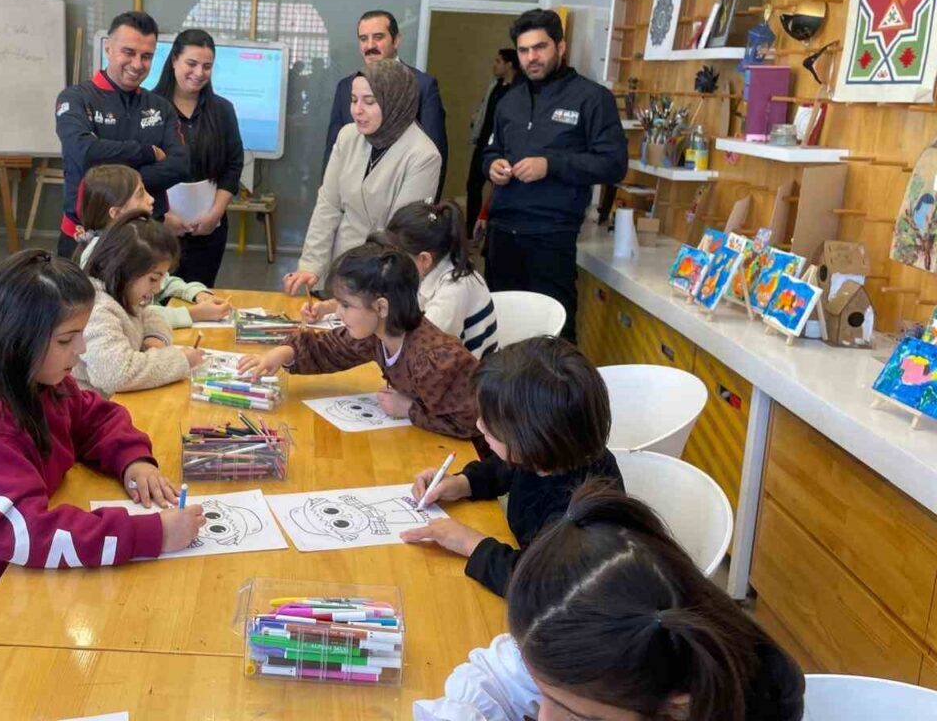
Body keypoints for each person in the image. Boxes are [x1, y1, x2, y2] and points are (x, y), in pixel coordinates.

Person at [0, 249, 204, 609]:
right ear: (17, 338)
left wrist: (133, 459)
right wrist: (152, 533)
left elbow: (94, 418)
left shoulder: (39, 381)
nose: (81, 349)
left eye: (81, 334)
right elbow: (26, 533)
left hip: (9, 570)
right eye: (65, 339)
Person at [413, 482, 805, 721]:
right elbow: (495, 676)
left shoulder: (645, 670)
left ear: (676, 710)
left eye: (577, 717)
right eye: (543, 696)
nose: (543, 718)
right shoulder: (601, 647)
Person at [400, 337, 622, 596]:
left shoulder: (579, 514)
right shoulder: (550, 455)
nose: (480, 426)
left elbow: (539, 587)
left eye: (491, 425)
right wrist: (463, 483)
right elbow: (506, 468)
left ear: (530, 440)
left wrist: (470, 543)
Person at [482, 9, 627, 342]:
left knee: (552, 338)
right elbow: (491, 150)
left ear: (560, 47)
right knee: (500, 333)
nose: (531, 57)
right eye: (523, 50)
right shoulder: (509, 101)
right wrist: (491, 165)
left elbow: (613, 164)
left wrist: (551, 165)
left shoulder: (593, 98)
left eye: (540, 47)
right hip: (502, 233)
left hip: (551, 235)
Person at [243, 240, 480, 441]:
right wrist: (284, 353)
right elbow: (331, 348)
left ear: (381, 307)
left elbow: (471, 424)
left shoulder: (434, 358)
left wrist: (409, 409)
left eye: (346, 305)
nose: (338, 313)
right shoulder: (378, 334)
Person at [283, 59, 441, 296]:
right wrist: (311, 266)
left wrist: (363, 290)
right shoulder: (348, 136)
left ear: (395, 101)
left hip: (385, 279)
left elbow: (401, 235)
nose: (357, 110)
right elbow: (328, 206)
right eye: (353, 100)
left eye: (369, 101)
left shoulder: (423, 155)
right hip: (340, 268)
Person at [56, 11, 189, 257]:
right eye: (128, 52)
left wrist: (108, 178)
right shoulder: (76, 99)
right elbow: (83, 151)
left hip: (147, 240)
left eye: (146, 56)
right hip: (85, 239)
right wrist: (147, 153)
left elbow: (179, 165)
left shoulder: (160, 107)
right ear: (108, 48)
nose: (137, 64)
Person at [304, 200, 497, 358]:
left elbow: (419, 345)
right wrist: (329, 307)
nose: (390, 263)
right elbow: (371, 299)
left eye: (397, 256)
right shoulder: (427, 271)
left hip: (462, 386)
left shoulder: (454, 289)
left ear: (424, 259)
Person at [74, 164, 231, 327]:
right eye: (141, 194)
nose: (151, 199)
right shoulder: (102, 255)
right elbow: (131, 315)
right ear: (117, 213)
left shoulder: (135, 241)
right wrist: (193, 314)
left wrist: (196, 293)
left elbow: (163, 281)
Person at [151, 28, 244, 287]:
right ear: (174, 60)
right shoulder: (150, 107)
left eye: (207, 66)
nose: (199, 72)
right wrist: (162, 216)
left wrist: (215, 213)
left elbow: (233, 165)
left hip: (208, 229)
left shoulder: (222, 110)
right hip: (159, 228)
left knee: (200, 295)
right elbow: (137, 168)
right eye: (191, 63)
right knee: (157, 295)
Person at [75, 214, 206, 397]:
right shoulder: (98, 310)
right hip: (94, 407)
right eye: (153, 279)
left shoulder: (124, 295)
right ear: (124, 269)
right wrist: (181, 360)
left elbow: (149, 315)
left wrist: (154, 338)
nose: (157, 288)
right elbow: (116, 375)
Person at [323, 9, 448, 192]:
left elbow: (435, 156)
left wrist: (424, 208)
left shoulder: (422, 86)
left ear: (396, 40)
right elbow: (333, 150)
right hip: (350, 199)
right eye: (363, 39)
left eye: (378, 37)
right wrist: (328, 194)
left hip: (403, 198)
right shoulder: (345, 87)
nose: (370, 45)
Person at [466, 47, 518, 240]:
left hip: (502, 148)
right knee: (473, 185)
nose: (494, 65)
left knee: (497, 190)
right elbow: (484, 109)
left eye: (498, 61)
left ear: (509, 64)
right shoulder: (494, 86)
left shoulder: (517, 90)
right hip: (483, 143)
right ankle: (470, 231)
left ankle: (491, 232)